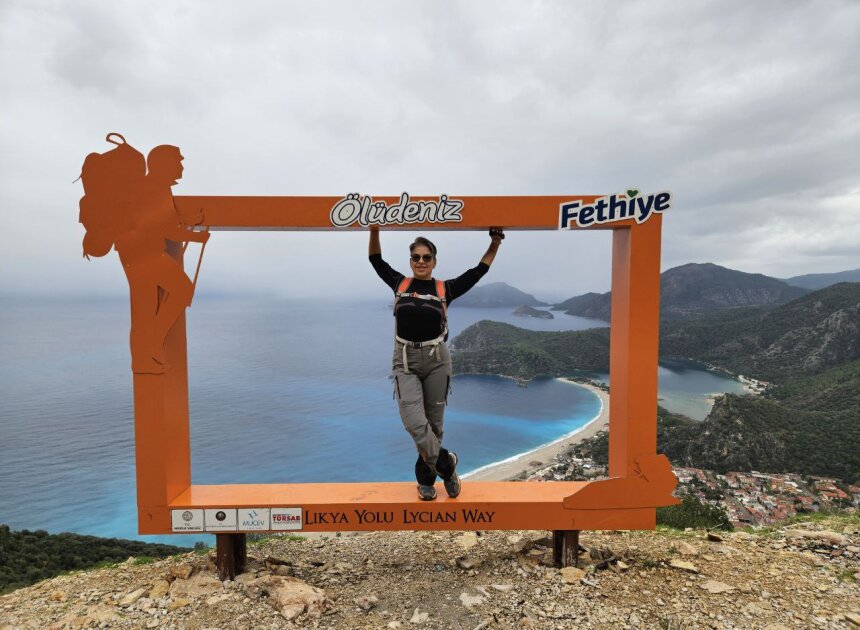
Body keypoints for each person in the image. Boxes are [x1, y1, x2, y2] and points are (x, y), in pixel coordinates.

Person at [369, 226, 505, 500]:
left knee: (434, 426)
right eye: (416, 257)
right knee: (414, 423)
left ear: (434, 261)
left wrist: (495, 242)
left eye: (426, 257)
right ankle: (446, 465)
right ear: (410, 261)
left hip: (437, 361)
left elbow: (478, 271)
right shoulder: (400, 284)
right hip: (405, 360)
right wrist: (374, 229)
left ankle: (426, 482)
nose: (421, 261)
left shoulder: (445, 289)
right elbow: (376, 259)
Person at [114, 145, 209, 373]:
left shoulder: (154, 187)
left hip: (139, 255)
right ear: (165, 164)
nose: (181, 166)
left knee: (147, 308)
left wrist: (188, 219)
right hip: (144, 256)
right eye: (178, 162)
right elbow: (167, 230)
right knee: (178, 292)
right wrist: (196, 237)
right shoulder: (155, 188)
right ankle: (150, 348)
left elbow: (164, 220)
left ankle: (148, 352)